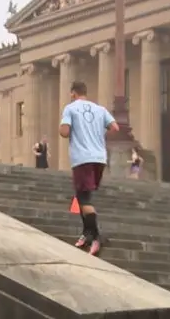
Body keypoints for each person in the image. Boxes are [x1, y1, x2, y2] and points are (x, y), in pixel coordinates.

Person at [59, 81, 119, 255]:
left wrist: (71, 131)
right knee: (83, 195)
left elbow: (64, 132)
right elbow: (115, 127)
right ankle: (86, 233)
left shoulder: (70, 109)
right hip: (99, 157)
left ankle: (96, 236)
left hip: (82, 158)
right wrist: (97, 135)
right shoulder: (100, 109)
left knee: (84, 199)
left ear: (73, 93)